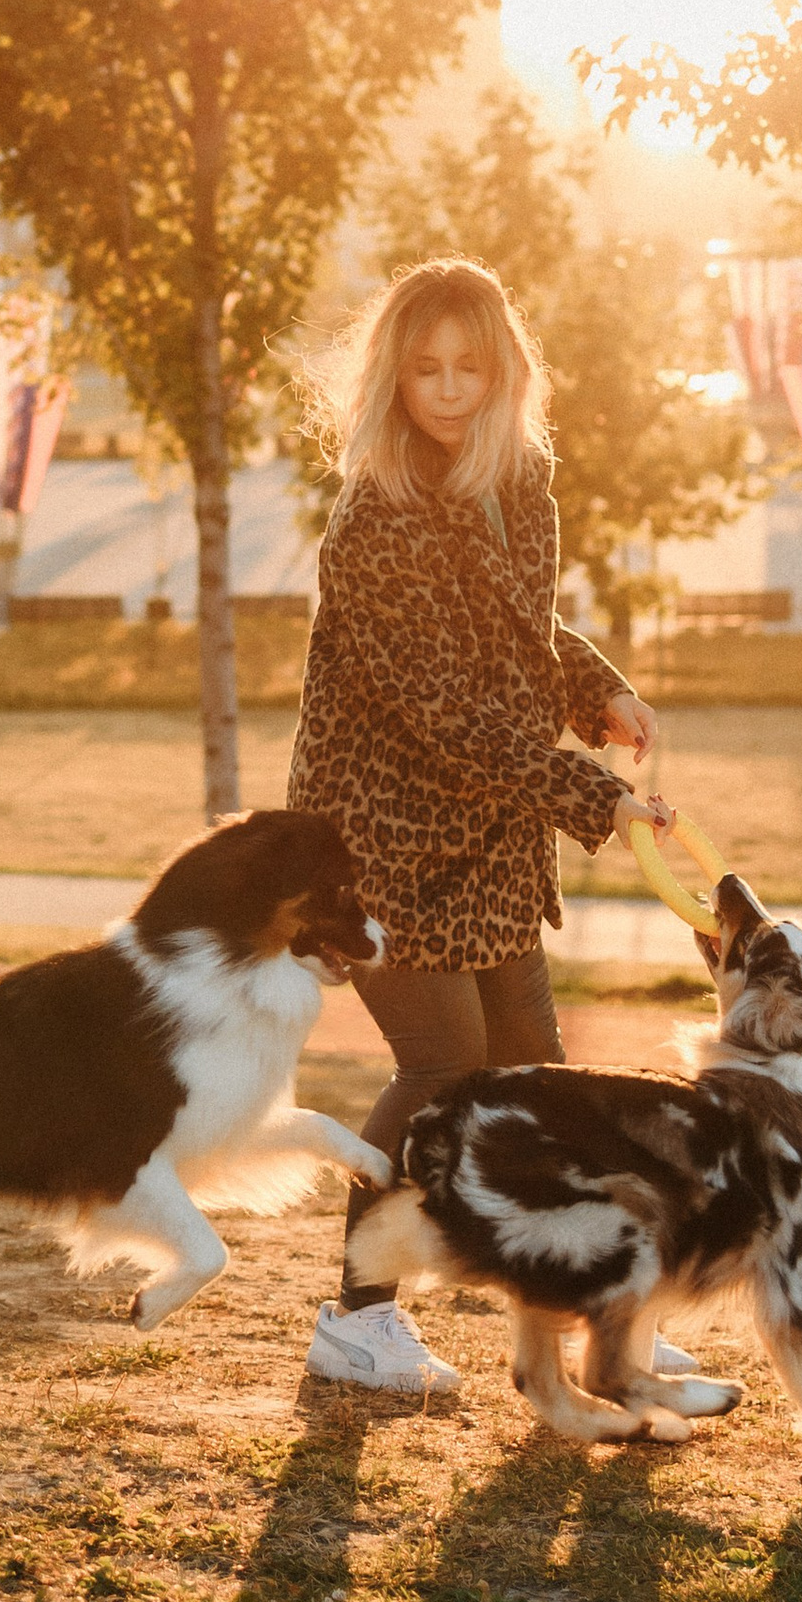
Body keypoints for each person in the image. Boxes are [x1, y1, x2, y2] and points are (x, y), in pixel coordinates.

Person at [285, 256, 668, 1393]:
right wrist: (588, 793)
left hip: (487, 832)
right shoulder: (374, 520)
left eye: (468, 367)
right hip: (380, 839)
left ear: (504, 371)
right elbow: (445, 711)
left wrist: (596, 690)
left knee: (531, 1075)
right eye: (423, 369)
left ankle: (574, 1318)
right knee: (446, 1072)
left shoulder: (519, 479)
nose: (446, 390)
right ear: (389, 378)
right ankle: (354, 1317)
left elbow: (520, 631)